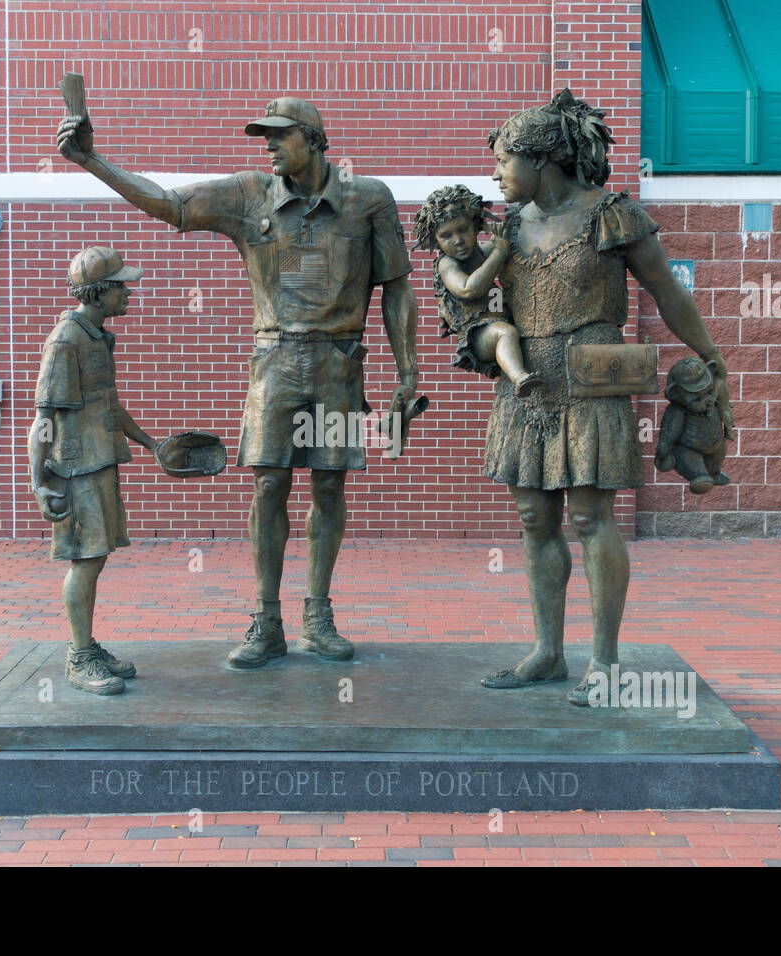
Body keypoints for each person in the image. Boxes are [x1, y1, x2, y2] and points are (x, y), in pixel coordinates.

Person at [57, 96, 420, 669]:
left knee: (329, 486)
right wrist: (92, 160)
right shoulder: (249, 194)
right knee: (268, 486)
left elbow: (397, 286)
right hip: (274, 362)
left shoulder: (366, 198)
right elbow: (169, 205)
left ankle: (318, 615)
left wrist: (408, 371)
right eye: (264, 137)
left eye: (279, 136)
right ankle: (266, 619)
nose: (268, 146)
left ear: (313, 138)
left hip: (338, 364)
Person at [476, 90, 735, 704]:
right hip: (529, 383)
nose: (494, 174)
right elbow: (481, 305)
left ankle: (606, 662)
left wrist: (709, 352)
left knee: (591, 518)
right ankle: (547, 651)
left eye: (503, 161)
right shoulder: (508, 227)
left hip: (592, 379)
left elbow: (668, 293)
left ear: (541, 160)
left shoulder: (611, 216)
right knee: (535, 518)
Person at [28, 246, 169, 695]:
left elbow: (108, 406)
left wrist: (151, 444)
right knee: (85, 560)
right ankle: (79, 656)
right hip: (76, 469)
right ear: (100, 292)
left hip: (99, 461)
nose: (129, 292)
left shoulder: (96, 336)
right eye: (121, 285)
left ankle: (87, 645)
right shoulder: (66, 341)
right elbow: (43, 419)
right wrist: (38, 484)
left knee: (97, 556)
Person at [413, 184, 540, 395]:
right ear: (435, 239)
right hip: (479, 333)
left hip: (500, 319)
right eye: (446, 236)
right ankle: (520, 378)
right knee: (505, 333)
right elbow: (468, 289)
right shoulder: (447, 265)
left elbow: (505, 240)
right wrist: (500, 251)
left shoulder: (480, 253)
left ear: (475, 226)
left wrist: (519, 216)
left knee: (508, 329)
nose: (458, 241)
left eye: (463, 230)